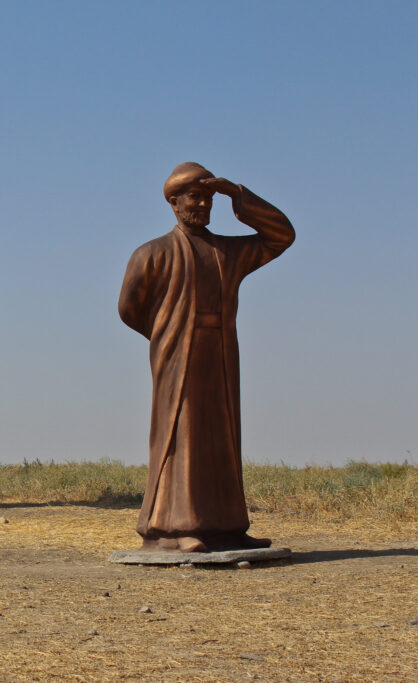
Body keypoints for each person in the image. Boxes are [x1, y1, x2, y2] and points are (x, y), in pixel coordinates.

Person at [118, 162, 295, 552]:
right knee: (182, 435)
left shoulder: (227, 251)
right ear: (173, 202)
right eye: (194, 197)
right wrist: (166, 334)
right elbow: (129, 308)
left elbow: (281, 236)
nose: (201, 204)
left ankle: (227, 528)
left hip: (219, 354)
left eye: (208, 197)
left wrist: (240, 197)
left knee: (222, 437)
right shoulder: (153, 252)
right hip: (176, 357)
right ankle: (177, 528)